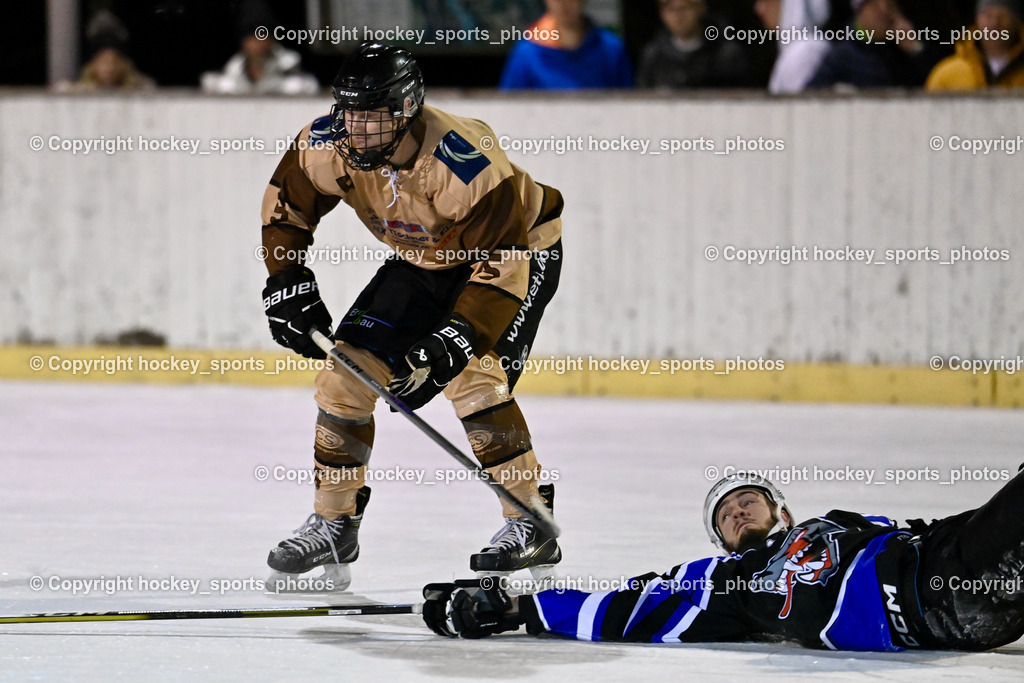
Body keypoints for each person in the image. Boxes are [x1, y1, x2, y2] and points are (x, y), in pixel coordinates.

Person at [260, 42, 564, 591]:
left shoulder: (465, 162)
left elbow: (503, 266)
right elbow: (288, 203)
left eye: (373, 118)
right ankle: (334, 521)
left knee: (474, 377)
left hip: (515, 253)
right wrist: (284, 279)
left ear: (406, 111)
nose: (356, 131)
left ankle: (530, 522)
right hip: (427, 256)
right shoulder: (329, 143)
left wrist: (455, 339)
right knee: (345, 375)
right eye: (349, 114)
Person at [423, 471, 1024, 651]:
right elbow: (630, 608)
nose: (737, 513)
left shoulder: (836, 522)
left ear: (780, 513)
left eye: (748, 502)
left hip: (950, 563)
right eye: (726, 515)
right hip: (931, 611)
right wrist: (513, 606)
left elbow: (930, 532)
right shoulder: (725, 584)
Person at [808, 0, 946, 88]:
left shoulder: (901, 52)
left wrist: (916, 49)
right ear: (863, 10)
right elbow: (811, 96)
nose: (887, 16)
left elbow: (931, 84)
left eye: (892, 8)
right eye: (877, 7)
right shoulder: (843, 55)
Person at [499, 0, 633, 89]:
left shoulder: (611, 50)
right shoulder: (526, 55)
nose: (563, 3)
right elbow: (509, 112)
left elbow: (629, 109)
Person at [638, 0, 757, 88]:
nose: (678, 16)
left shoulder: (726, 54)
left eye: (684, 8)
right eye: (671, 9)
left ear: (701, 8)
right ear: (662, 14)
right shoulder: (654, 56)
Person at [926, 0, 1024, 89]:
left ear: (1016, 21)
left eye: (1003, 16)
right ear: (977, 19)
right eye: (988, 15)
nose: (994, 23)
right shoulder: (948, 73)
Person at [59, 10, 156, 92]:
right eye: (104, 62)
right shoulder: (82, 90)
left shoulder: (139, 89)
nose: (110, 68)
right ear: (93, 65)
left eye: (115, 62)